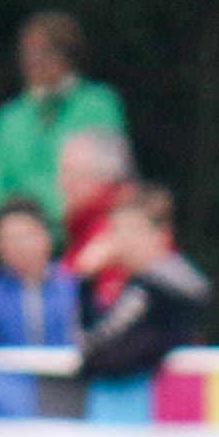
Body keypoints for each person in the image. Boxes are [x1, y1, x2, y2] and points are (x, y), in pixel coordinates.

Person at [0, 13, 128, 229]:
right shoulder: (9, 118)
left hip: (90, 229)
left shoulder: (99, 104)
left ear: (68, 55)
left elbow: (114, 175)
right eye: (27, 53)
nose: (34, 60)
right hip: (27, 235)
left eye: (45, 52)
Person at [76, 184, 209, 378]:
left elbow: (93, 347)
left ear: (162, 235)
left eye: (133, 230)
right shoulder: (181, 282)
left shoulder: (153, 289)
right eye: (116, 230)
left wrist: (86, 280)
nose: (122, 241)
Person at [0, 198, 80, 348]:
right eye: (11, 238)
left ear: (46, 237)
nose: (21, 246)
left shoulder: (73, 287)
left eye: (27, 236)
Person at [55, 127, 136, 320]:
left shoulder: (122, 232)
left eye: (70, 173)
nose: (61, 183)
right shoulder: (83, 229)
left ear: (104, 177)